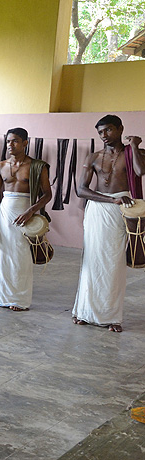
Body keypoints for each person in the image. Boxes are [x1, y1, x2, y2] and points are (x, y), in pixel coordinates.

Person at [72, 115, 144, 332]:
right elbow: (81, 190)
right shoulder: (94, 156)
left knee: (113, 262)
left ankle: (112, 317)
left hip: (122, 210)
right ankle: (84, 311)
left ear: (121, 129)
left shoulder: (134, 153)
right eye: (100, 132)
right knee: (91, 260)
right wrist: (111, 199)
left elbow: (140, 172)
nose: (104, 136)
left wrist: (134, 145)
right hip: (99, 209)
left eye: (108, 130)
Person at [0, 128, 52, 311]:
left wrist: (31, 211)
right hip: (5, 213)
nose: (10, 145)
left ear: (25, 143)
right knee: (3, 254)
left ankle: (19, 299)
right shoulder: (1, 166)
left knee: (21, 256)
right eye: (8, 141)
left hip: (25, 213)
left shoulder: (36, 166)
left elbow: (47, 194)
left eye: (15, 141)